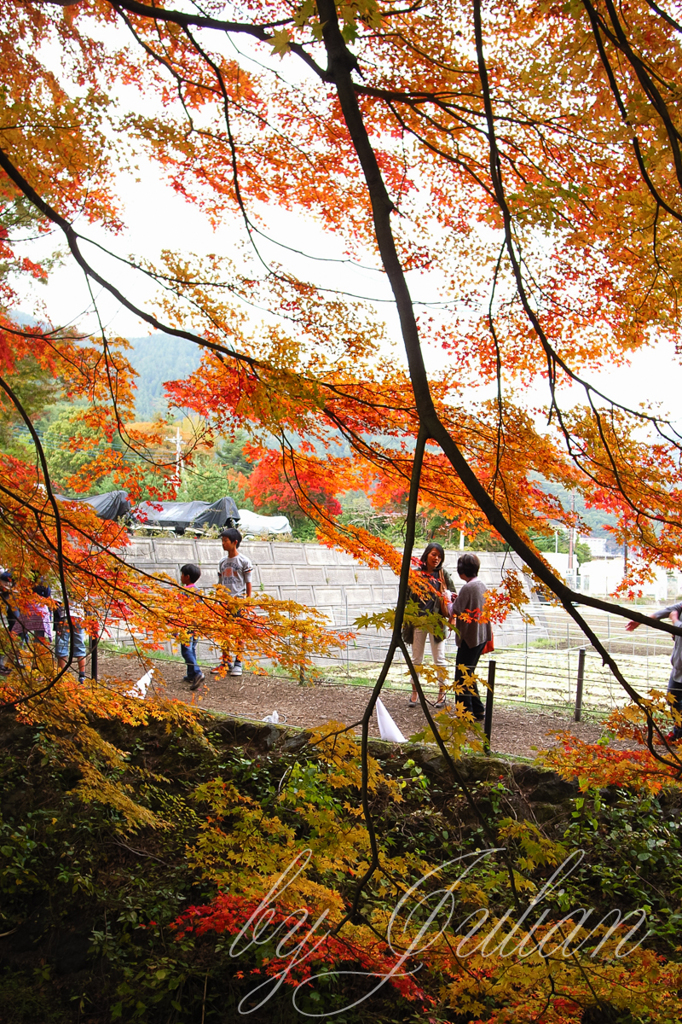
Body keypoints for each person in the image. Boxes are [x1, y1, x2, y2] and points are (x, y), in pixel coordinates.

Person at [406, 542, 454, 709]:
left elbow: (453, 596)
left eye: (439, 556)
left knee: (439, 659)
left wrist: (447, 599)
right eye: (434, 554)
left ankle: (442, 692)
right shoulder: (416, 574)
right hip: (418, 621)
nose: (436, 558)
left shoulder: (443, 574)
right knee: (416, 658)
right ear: (426, 554)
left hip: (437, 623)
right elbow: (405, 596)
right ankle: (415, 691)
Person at [626, 603, 682, 743]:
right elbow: (665, 611)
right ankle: (678, 733)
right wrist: (640, 620)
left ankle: (679, 735)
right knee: (672, 700)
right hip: (678, 669)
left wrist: (675, 621)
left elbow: (676, 622)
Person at [449, 552, 492, 722]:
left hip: (470, 638)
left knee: (461, 676)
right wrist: (457, 599)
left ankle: (464, 714)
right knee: (469, 673)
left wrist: (447, 600)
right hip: (481, 636)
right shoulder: (481, 585)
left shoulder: (468, 587)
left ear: (462, 571)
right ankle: (478, 710)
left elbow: (456, 610)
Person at [211, 527, 252, 677]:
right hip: (224, 602)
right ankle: (225, 661)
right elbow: (220, 582)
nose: (223, 543)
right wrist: (217, 599)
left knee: (238, 633)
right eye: (222, 540)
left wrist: (247, 601)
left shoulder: (244, 561)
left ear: (235, 542)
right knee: (224, 632)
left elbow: (248, 582)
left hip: (238, 602)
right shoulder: (222, 562)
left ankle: (238, 662)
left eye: (225, 541)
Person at [179, 562, 205, 691]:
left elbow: (180, 609)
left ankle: (197, 672)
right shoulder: (199, 591)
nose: (181, 576)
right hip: (196, 624)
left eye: (182, 574)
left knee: (186, 650)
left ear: (187, 576)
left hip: (186, 624)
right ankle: (190, 674)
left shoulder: (184, 592)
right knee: (192, 648)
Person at [54, 600, 88, 683]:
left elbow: (56, 605)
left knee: (62, 646)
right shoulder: (82, 587)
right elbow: (86, 605)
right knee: (80, 646)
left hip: (64, 617)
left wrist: (56, 624)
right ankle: (82, 676)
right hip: (79, 618)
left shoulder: (60, 587)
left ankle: (62, 676)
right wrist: (87, 622)